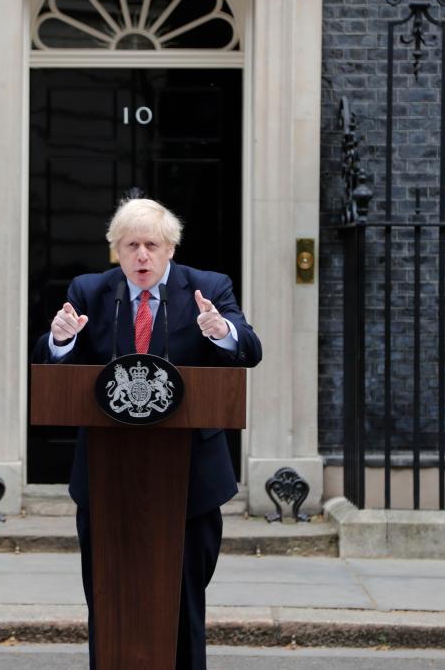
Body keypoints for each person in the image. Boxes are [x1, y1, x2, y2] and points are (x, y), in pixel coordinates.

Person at [32, 197, 262, 670]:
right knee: (109, 596)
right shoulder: (91, 292)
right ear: (115, 249)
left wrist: (220, 330)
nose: (141, 256)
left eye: (151, 245)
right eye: (130, 245)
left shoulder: (209, 288)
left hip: (191, 480)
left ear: (170, 249)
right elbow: (53, 362)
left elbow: (249, 349)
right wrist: (59, 339)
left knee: (184, 600)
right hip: (107, 476)